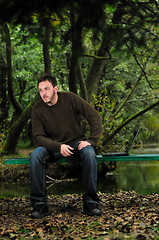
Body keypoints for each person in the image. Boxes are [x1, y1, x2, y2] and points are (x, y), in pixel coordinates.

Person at [30, 74, 102, 218]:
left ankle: (90, 203)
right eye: (40, 90)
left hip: (76, 143)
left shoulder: (70, 98)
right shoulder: (37, 109)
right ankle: (40, 205)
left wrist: (92, 140)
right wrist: (58, 146)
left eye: (46, 89)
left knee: (89, 153)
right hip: (52, 147)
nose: (43, 93)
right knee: (35, 155)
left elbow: (95, 117)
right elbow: (38, 138)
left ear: (55, 89)